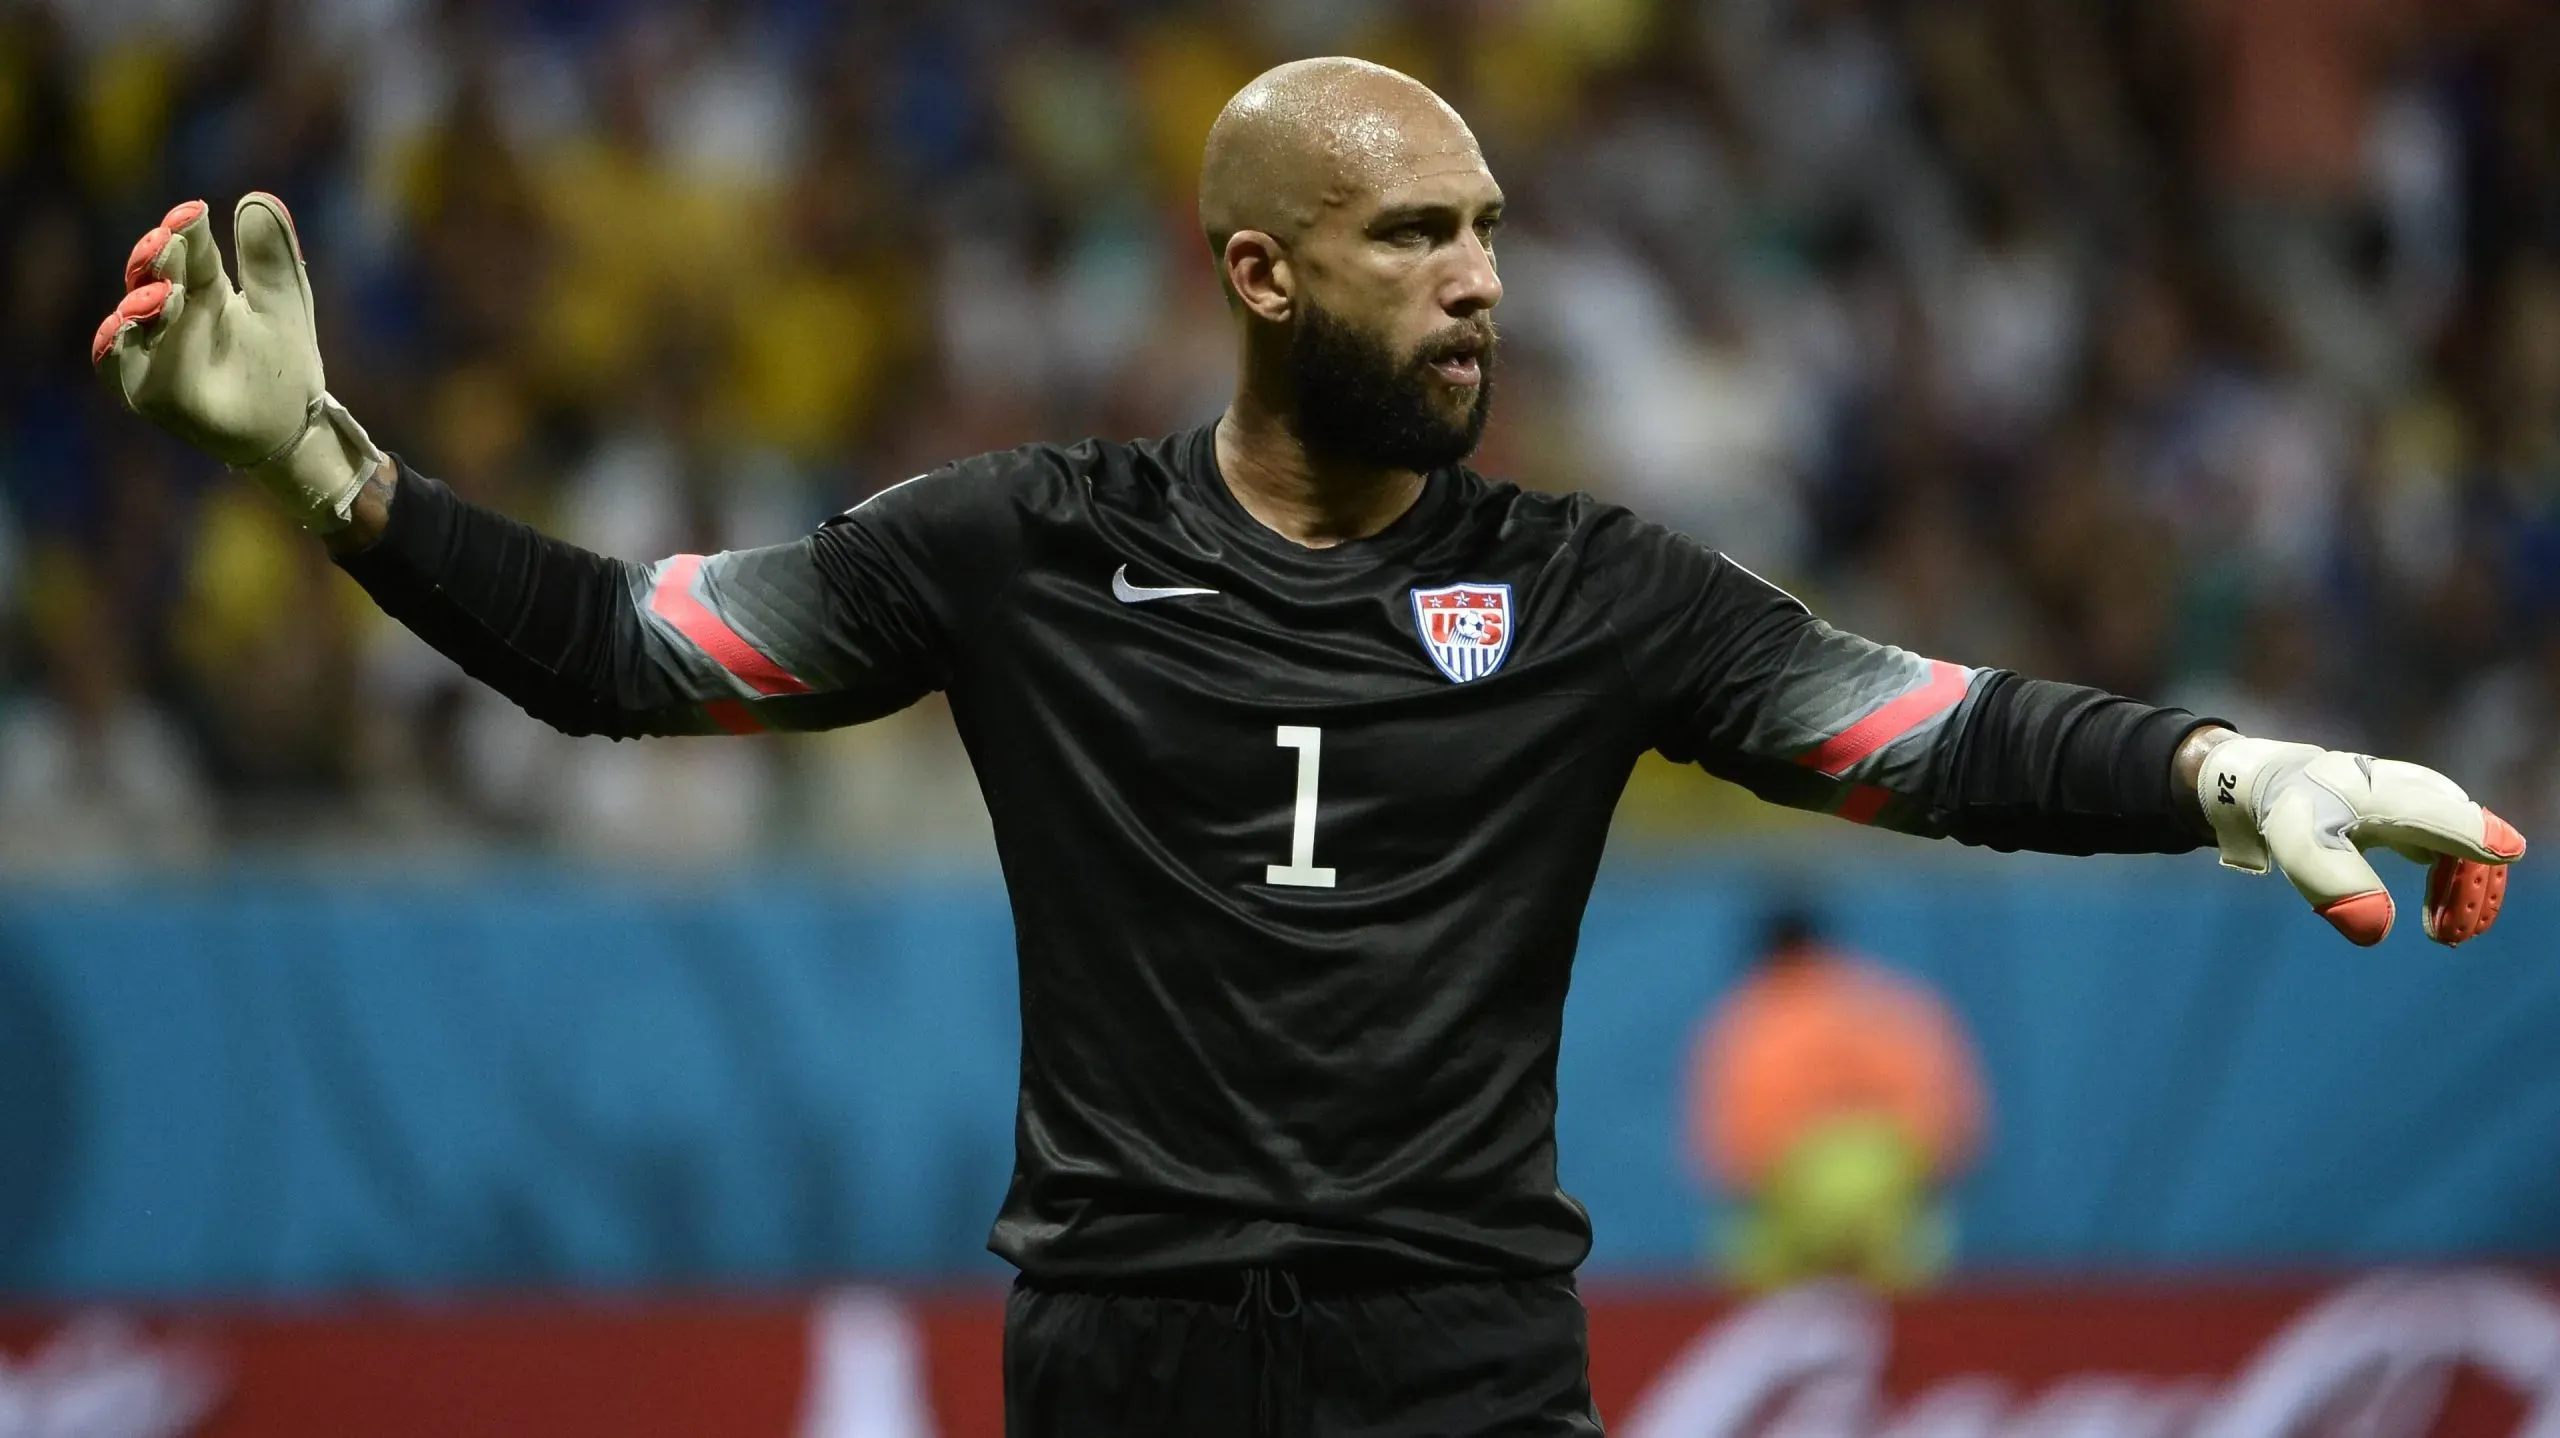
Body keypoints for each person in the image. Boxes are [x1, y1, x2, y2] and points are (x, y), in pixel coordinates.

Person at [91, 56, 2524, 1438]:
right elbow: (628, 648)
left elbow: (1925, 729)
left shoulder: (1591, 591)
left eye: (1482, 225)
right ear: (1256, 271)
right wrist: (327, 469)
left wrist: (2224, 773)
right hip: (1123, 1365)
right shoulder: (1015, 543)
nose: (1473, 273)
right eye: (1406, 235)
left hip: (1454, 1365)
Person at [1687, 907, 1985, 1292]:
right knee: (1917, 1272)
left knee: (1739, 1245)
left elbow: (1728, 1156)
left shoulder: (1748, 1018)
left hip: (1789, 1196)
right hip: (1893, 1192)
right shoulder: (1895, 1002)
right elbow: (1955, 1124)